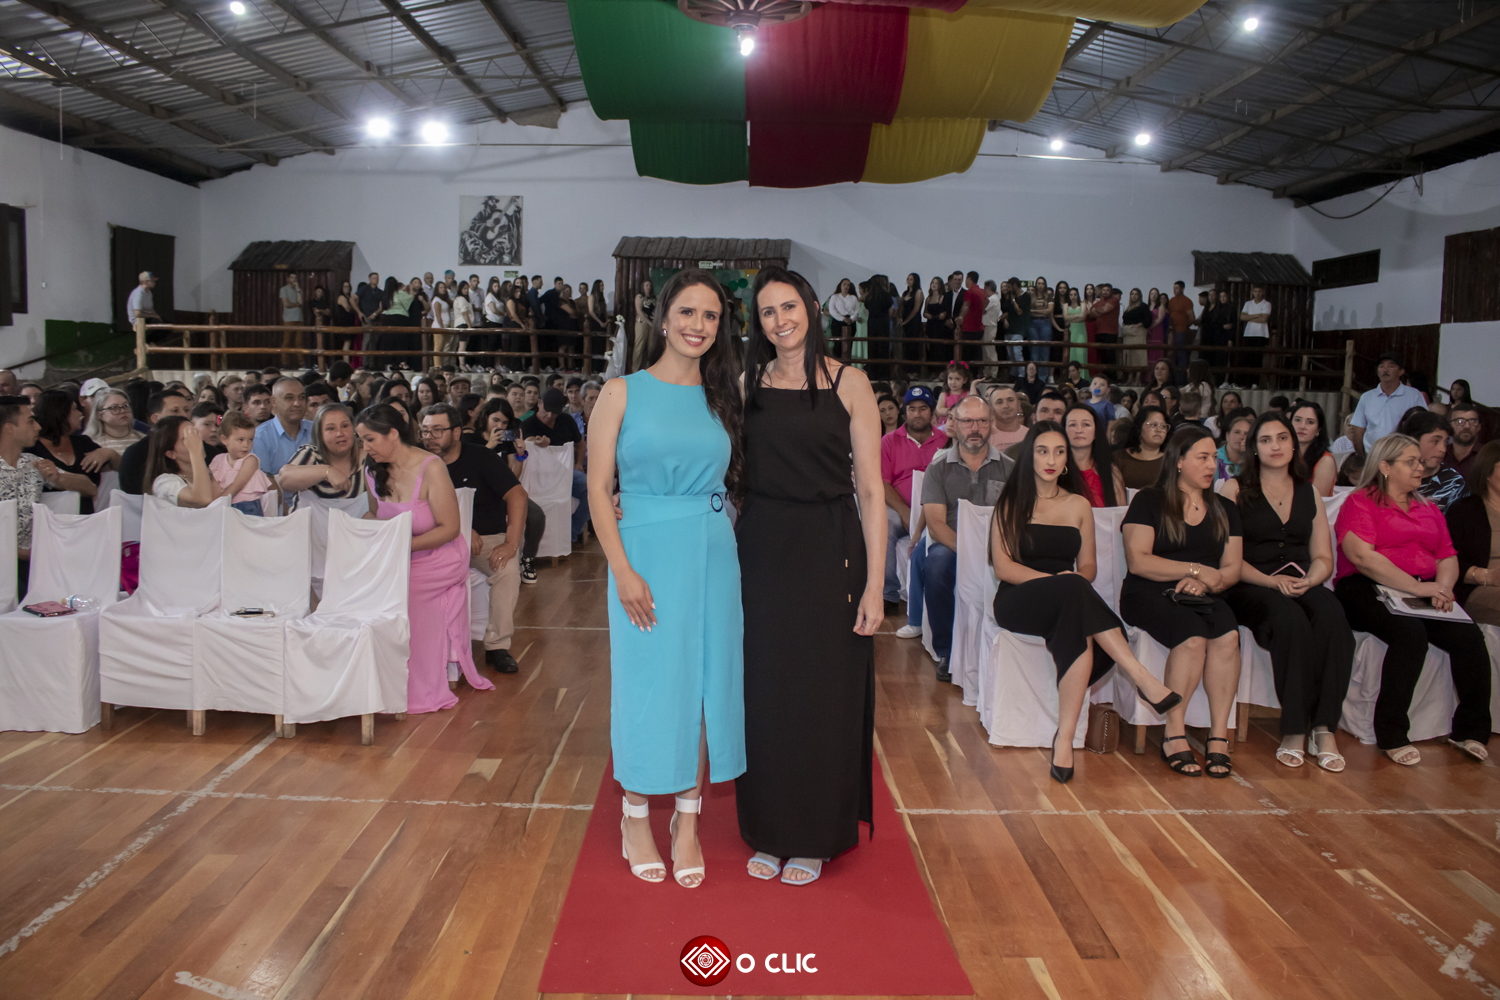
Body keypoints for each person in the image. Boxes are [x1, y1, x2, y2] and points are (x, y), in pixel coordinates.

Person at [588, 268, 745, 888]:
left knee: (704, 683)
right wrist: (622, 569)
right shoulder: (620, 392)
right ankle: (634, 816)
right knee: (646, 682)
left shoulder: (724, 394)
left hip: (713, 549)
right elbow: (599, 489)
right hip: (644, 553)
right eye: (687, 312)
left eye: (710, 316)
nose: (698, 326)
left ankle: (687, 821)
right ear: (663, 317)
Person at [738, 266, 885, 887]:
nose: (781, 320)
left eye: (789, 307)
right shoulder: (747, 383)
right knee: (765, 690)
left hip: (832, 548)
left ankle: (817, 834)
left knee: (825, 691)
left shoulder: (851, 382)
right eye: (768, 312)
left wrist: (875, 584)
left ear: (814, 309)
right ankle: (768, 829)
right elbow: (719, 469)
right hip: (761, 549)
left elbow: (872, 492)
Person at [990, 422, 1182, 783]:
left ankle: (1064, 739)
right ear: (1030, 456)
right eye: (1042, 451)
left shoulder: (1078, 504)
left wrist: (1071, 581)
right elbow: (1004, 568)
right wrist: (1056, 582)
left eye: (1059, 451)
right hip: (1019, 599)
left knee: (1075, 615)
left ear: (1067, 460)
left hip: (1068, 600)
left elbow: (1088, 567)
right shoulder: (1011, 502)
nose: (1051, 459)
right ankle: (1139, 675)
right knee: (1073, 590)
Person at [1334, 433, 1491, 765]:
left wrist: (1443, 588)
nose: (1421, 467)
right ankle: (1392, 734)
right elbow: (1363, 557)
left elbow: (1447, 555)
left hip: (1421, 589)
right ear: (1385, 466)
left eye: (1420, 461)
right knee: (1410, 635)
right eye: (1411, 462)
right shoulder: (1361, 501)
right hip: (1365, 588)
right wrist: (1418, 589)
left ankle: (1470, 730)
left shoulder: (1428, 507)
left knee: (1469, 637)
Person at [1218, 413, 1354, 771]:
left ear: (1294, 445)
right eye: (1265, 440)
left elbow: (1323, 556)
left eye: (1282, 438)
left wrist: (1311, 579)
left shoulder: (1309, 491)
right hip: (1249, 584)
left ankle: (1323, 728)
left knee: (1333, 616)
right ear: (1254, 448)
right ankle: (1294, 729)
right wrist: (1270, 581)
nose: (1275, 446)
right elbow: (1228, 560)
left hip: (1299, 580)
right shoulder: (1234, 490)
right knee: (1290, 620)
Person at [1121, 425, 1244, 777]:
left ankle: (1218, 735)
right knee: (1192, 637)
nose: (1211, 466)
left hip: (1202, 594)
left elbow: (1232, 569)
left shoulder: (1224, 508)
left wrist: (1204, 583)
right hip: (1148, 591)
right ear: (1178, 461)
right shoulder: (1149, 500)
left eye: (1214, 458)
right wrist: (1194, 570)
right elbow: (1138, 561)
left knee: (1228, 635)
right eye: (1202, 458)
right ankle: (1174, 734)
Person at [358, 402, 494, 714]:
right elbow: (376, 514)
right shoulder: (372, 469)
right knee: (361, 593)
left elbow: (450, 528)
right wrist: (365, 536)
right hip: (397, 556)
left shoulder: (431, 467)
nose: (365, 447)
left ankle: (411, 684)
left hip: (439, 557)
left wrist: (401, 546)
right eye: (362, 440)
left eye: (370, 439)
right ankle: (372, 681)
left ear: (393, 434)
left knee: (402, 592)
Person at [421, 403, 527, 675]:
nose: (430, 437)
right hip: (436, 540)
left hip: (487, 539)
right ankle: (426, 645)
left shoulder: (481, 457)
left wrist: (510, 544)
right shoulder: (418, 463)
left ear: (456, 432)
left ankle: (497, 646)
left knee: (507, 570)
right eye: (425, 431)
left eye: (437, 430)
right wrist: (461, 529)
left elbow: (517, 496)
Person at [918, 394, 1013, 683]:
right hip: (953, 545)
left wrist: (995, 551)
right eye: (968, 421)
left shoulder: (1010, 468)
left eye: (982, 421)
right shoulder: (938, 468)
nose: (975, 428)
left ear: (992, 424)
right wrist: (971, 551)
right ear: (954, 424)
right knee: (936, 565)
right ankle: (947, 650)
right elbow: (935, 525)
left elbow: (1015, 518)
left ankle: (1009, 647)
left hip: (999, 546)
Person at [881, 386, 947, 608]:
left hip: (938, 508)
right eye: (912, 409)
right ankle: (887, 594)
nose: (917, 414)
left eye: (923, 409)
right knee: (884, 525)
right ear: (905, 412)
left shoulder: (945, 440)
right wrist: (904, 511)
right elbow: (883, 482)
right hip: (901, 508)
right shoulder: (889, 441)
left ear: (932, 412)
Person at [26, 389, 113, 514]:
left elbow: (118, 472)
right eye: (75, 409)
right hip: (50, 522)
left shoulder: (83, 443)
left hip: (87, 519)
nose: (80, 414)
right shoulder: (31, 450)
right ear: (59, 413)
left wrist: (109, 453)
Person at [521, 388, 589, 543]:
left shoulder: (566, 421)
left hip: (565, 473)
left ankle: (571, 533)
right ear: (539, 404)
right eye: (547, 411)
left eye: (555, 412)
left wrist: (579, 463)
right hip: (538, 475)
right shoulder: (528, 424)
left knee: (591, 487)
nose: (550, 416)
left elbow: (580, 443)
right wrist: (538, 442)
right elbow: (526, 442)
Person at [144, 416, 249, 508]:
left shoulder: (211, 471)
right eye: (187, 439)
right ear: (171, 453)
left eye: (195, 434)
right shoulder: (164, 483)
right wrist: (195, 452)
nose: (197, 441)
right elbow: (202, 499)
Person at [1448, 442, 1500, 627]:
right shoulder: (1464, 510)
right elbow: (1448, 560)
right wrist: (1487, 576)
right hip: (1480, 586)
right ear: (1487, 471)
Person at [276, 402, 368, 505]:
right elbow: (284, 480)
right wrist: (327, 471)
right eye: (331, 428)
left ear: (354, 429)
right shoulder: (312, 452)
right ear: (320, 434)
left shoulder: (368, 453)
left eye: (345, 426)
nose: (340, 433)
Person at [1349, 353, 1426, 458]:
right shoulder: (1366, 397)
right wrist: (1363, 458)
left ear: (1401, 371)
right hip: (1372, 455)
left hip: (1402, 456)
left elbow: (1423, 427)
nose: (1385, 370)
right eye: (1381, 366)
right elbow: (1358, 430)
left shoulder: (1414, 395)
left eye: (1391, 366)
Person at [119, 390, 192, 494]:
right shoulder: (135, 454)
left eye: (186, 410)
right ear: (156, 418)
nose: (184, 415)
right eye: (175, 411)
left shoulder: (202, 446)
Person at [209, 411, 273, 516]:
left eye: (250, 439)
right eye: (240, 440)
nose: (246, 445)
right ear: (225, 440)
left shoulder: (250, 460)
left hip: (249, 507)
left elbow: (237, 486)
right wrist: (213, 507)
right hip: (225, 506)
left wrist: (218, 505)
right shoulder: (218, 461)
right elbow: (215, 490)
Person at [1063, 403, 1124, 507]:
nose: (1079, 430)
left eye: (1086, 424)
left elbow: (1120, 512)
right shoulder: (1057, 470)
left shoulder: (1111, 471)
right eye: (1072, 425)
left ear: (1096, 431)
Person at [251, 377, 312, 476]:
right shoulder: (260, 437)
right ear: (273, 401)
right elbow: (263, 480)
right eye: (289, 398)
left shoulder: (316, 430)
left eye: (301, 397)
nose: (297, 403)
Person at [1290, 400, 1337, 496]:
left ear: (1318, 429)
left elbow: (1316, 501)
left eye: (1310, 422)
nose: (1302, 426)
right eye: (1297, 420)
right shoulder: (1285, 454)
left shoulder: (1325, 461)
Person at [82, 388, 144, 455]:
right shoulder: (92, 444)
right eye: (114, 408)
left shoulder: (143, 439)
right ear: (100, 415)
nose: (123, 411)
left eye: (126, 406)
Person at [1238, 285, 1271, 386]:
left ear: (1263, 292)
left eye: (1259, 291)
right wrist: (1257, 315)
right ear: (1252, 292)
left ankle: (1255, 383)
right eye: (1255, 291)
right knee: (1246, 358)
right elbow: (1242, 317)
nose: (1257, 293)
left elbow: (1264, 319)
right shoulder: (1248, 303)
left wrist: (1249, 317)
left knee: (1257, 359)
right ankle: (1245, 382)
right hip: (1249, 333)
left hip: (1261, 334)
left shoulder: (1267, 304)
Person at [1119, 288, 1150, 386]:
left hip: (1138, 332)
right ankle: (1130, 378)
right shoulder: (1128, 308)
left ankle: (1137, 379)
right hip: (1128, 334)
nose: (1134, 296)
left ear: (1139, 296)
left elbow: (1147, 319)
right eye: (1132, 294)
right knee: (1129, 356)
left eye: (1136, 294)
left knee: (1138, 355)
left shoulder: (1143, 306)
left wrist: (1137, 326)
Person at [1446, 401, 1484, 478]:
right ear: (1449, 426)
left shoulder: (1488, 455)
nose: (1467, 426)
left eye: (1473, 421)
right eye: (1460, 421)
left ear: (1479, 427)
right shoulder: (1441, 454)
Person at [1216, 407, 1256, 480]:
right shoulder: (1215, 457)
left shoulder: (1253, 460)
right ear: (1227, 436)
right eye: (1237, 432)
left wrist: (1248, 454)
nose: (1241, 437)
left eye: (1246, 434)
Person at [988, 385, 1027, 450]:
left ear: (1018, 404)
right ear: (991, 407)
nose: (1006, 406)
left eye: (1010, 400)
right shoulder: (985, 437)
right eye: (999, 402)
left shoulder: (1031, 434)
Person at [935, 360, 972, 428]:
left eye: (957, 379)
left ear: (965, 380)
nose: (953, 382)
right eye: (950, 378)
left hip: (962, 424)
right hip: (945, 425)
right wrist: (952, 412)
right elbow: (939, 409)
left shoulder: (968, 394)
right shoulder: (944, 394)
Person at [1168, 280, 1195, 369]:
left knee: (1181, 353)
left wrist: (1184, 325)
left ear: (1182, 289)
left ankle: (1181, 375)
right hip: (1172, 331)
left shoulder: (1187, 301)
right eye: (1174, 288)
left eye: (1177, 288)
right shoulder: (1171, 300)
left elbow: (1192, 318)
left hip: (1181, 331)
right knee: (1172, 353)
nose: (1174, 290)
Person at [278, 273, 304, 368]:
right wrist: (297, 304)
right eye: (292, 277)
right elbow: (286, 304)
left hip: (299, 318)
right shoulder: (283, 289)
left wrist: (297, 289)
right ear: (288, 278)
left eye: (295, 277)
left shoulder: (299, 290)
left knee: (299, 342)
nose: (294, 279)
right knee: (287, 341)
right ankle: (284, 363)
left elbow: (301, 302)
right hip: (288, 319)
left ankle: (301, 363)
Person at [1063, 287, 1088, 380]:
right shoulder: (1066, 305)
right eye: (1071, 295)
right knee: (1072, 353)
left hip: (1081, 331)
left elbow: (1083, 316)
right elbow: (1065, 317)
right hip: (1071, 331)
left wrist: (1072, 318)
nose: (1073, 297)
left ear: (1078, 295)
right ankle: (1072, 377)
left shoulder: (1083, 304)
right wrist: (1078, 316)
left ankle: (1083, 377)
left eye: (1075, 294)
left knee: (1081, 352)